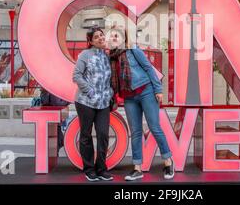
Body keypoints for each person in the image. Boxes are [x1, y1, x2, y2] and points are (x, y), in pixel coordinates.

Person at [107, 26, 174, 181]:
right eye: (112, 36)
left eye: (118, 35)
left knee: (154, 127)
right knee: (136, 132)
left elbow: (149, 69)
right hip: (129, 97)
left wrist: (158, 90)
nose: (115, 37)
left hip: (146, 91)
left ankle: (168, 161)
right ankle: (137, 168)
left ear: (124, 38)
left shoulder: (133, 51)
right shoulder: (111, 58)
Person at [72, 27, 114, 182]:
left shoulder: (107, 56)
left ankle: (101, 169)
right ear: (90, 41)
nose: (100, 38)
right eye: (96, 37)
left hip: (103, 103)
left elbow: (110, 79)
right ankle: (89, 169)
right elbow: (76, 75)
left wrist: (110, 94)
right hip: (85, 102)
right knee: (86, 135)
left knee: (103, 134)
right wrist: (89, 91)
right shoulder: (85, 55)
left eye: (102, 35)